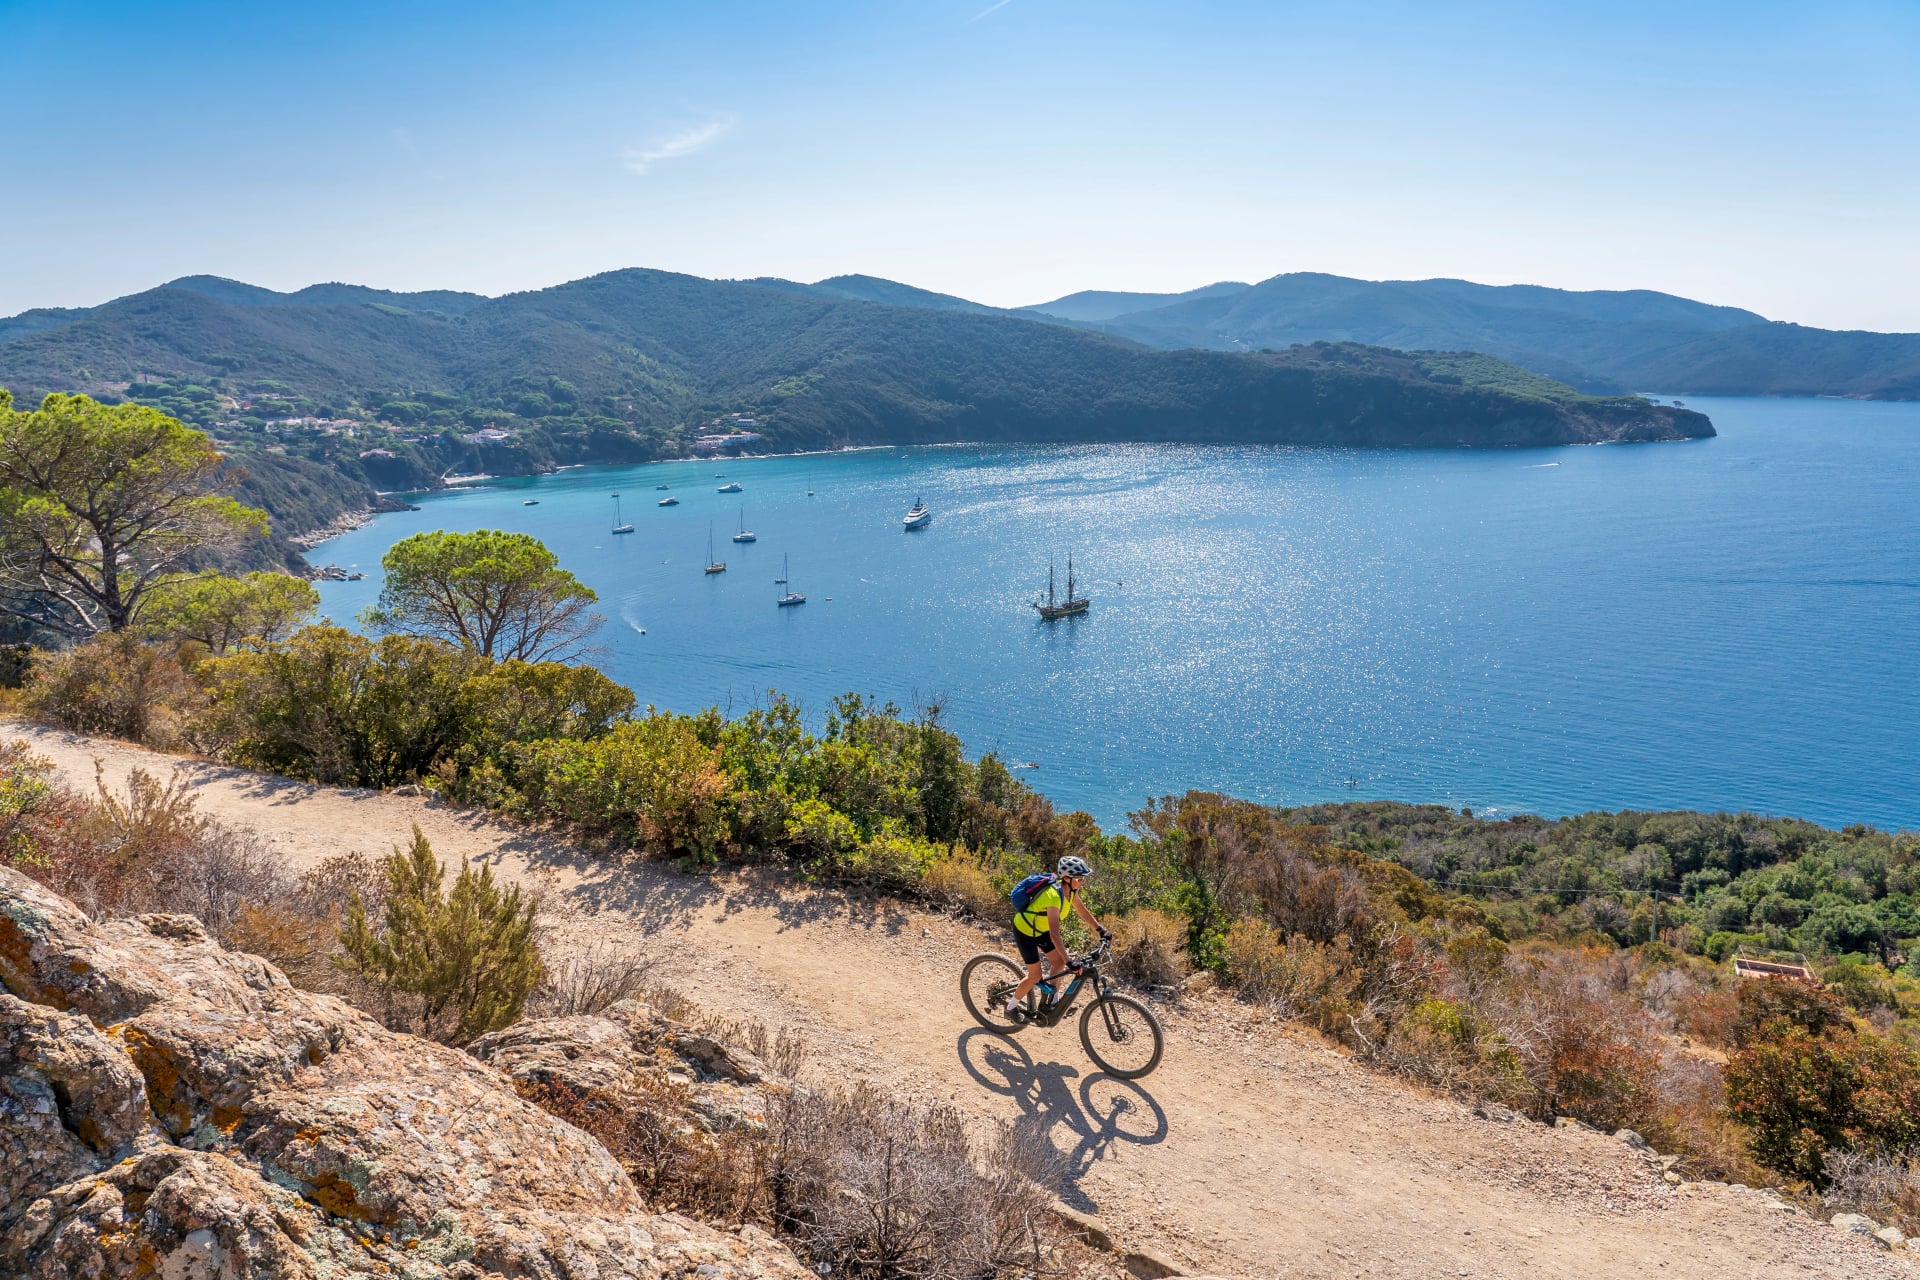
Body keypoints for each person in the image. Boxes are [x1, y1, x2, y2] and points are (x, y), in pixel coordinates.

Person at [1005, 855, 1111, 1018]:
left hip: (1041, 929)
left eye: (1083, 879)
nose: (1082, 882)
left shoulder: (1071, 892)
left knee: (1058, 962)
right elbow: (1054, 933)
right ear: (1067, 879)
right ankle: (1010, 1009)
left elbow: (1082, 911)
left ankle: (1052, 1003)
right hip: (1025, 930)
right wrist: (1070, 961)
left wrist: (1100, 929)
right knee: (1035, 975)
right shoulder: (1053, 896)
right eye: (1079, 879)